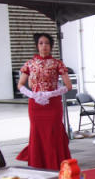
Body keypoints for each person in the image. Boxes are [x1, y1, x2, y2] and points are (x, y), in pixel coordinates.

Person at [16, 32, 72, 169]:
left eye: (47, 43)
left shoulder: (57, 63)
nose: (44, 46)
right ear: (37, 46)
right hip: (35, 104)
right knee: (37, 132)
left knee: (54, 132)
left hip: (52, 104)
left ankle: (56, 163)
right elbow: (20, 84)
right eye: (41, 43)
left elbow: (68, 86)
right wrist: (33, 95)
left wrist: (52, 93)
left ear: (51, 46)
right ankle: (37, 164)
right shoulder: (30, 63)